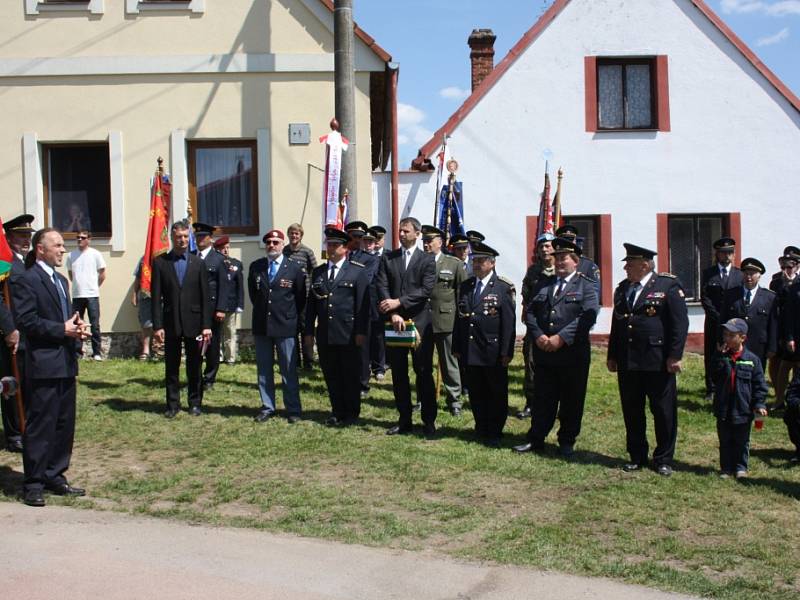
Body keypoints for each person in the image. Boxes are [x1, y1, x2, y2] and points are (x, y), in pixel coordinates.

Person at [12, 227, 88, 506]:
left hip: (65, 361)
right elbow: (27, 321)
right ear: (39, 249)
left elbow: (65, 318)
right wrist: (61, 329)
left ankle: (55, 474)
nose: (62, 250)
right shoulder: (26, 280)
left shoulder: (60, 280)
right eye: (56, 245)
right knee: (41, 424)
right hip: (43, 363)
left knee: (63, 423)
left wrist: (76, 327)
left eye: (62, 245)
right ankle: (33, 482)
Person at [607, 243, 689, 477]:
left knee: (663, 411)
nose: (626, 268)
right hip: (629, 360)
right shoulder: (623, 288)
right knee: (632, 410)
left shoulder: (667, 285)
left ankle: (663, 458)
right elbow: (618, 323)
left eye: (630, 264)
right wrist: (613, 354)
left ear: (645, 264)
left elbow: (679, 324)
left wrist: (675, 356)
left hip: (657, 360)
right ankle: (637, 455)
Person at [513, 237, 599, 457]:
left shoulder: (586, 286)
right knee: (543, 398)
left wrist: (560, 338)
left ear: (575, 262)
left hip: (572, 354)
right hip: (545, 353)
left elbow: (587, 317)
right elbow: (531, 312)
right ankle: (536, 438)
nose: (560, 262)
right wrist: (539, 335)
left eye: (565, 259)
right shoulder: (544, 283)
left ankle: (567, 440)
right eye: (557, 258)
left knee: (572, 399)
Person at [375, 216, 437, 437]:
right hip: (394, 324)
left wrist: (399, 302)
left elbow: (426, 290)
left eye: (406, 231)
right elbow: (381, 284)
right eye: (400, 231)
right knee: (399, 374)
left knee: (423, 372)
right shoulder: (389, 258)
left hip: (419, 324)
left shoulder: (427, 260)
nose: (401, 234)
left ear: (417, 234)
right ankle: (404, 420)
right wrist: (392, 312)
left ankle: (428, 420)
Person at [452, 241, 515, 447]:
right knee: (476, 390)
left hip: (493, 350)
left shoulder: (502, 287)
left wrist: (507, 351)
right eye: (474, 261)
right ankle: (481, 426)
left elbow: (508, 323)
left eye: (481, 261)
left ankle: (495, 430)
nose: (477, 265)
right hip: (470, 349)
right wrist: (457, 347)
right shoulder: (467, 286)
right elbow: (459, 319)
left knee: (496, 392)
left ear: (492, 263)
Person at [304, 227, 369, 426]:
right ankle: (336, 410)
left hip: (348, 333)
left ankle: (351, 413)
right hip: (325, 333)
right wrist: (308, 332)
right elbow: (312, 304)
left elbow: (362, 306)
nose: (331, 248)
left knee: (349, 374)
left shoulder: (357, 271)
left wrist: (361, 332)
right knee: (331, 374)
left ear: (345, 248)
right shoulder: (319, 272)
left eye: (335, 245)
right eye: (329, 244)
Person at [151, 221, 212, 418]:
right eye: (179, 236)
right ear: (172, 237)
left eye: (186, 236)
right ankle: (172, 405)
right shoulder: (161, 263)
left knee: (195, 365)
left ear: (190, 238)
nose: (183, 240)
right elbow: (156, 297)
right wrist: (157, 325)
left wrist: (206, 326)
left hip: (194, 324)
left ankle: (195, 403)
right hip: (170, 323)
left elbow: (205, 297)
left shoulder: (199, 263)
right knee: (172, 366)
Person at [249, 229, 306, 423]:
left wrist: (292, 319)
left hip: (285, 326)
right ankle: (267, 406)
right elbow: (254, 295)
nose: (271, 246)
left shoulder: (294, 268)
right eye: (269, 243)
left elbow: (300, 298)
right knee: (264, 369)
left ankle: (293, 409)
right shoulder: (256, 267)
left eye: (275, 242)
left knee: (288, 369)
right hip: (262, 325)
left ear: (283, 245)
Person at [711, 318, 768, 479]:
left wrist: (759, 403)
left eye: (731, 335)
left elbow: (759, 385)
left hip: (743, 408)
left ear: (742, 338)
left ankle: (740, 467)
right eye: (725, 334)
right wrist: (718, 357)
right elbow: (713, 376)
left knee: (742, 440)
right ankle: (726, 467)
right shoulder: (721, 356)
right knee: (725, 439)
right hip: (724, 406)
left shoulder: (752, 359)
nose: (726, 338)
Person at [422, 225, 466, 416]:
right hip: (423, 321)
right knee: (422, 364)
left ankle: (454, 400)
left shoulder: (453, 264)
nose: (426, 245)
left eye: (430, 241)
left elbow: (461, 294)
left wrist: (460, 321)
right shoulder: (418, 262)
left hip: (446, 319)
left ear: (439, 242)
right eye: (424, 241)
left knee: (449, 363)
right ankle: (423, 398)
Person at [1, 213, 34, 453]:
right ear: (9, 237)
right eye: (21, 235)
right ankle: (13, 434)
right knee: (11, 383)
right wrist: (9, 328)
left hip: (26, 333)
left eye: (28, 235)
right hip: (10, 335)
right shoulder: (4, 262)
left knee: (23, 381)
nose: (26, 239)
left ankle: (23, 427)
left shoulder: (24, 261)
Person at [517, 233, 556, 419]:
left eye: (548, 246)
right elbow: (526, 297)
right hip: (535, 327)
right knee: (531, 364)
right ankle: (531, 403)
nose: (544, 250)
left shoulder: (562, 269)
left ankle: (557, 404)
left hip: (557, 327)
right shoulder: (533, 271)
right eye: (541, 247)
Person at [701, 237, 743, 400]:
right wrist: (718, 317)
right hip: (714, 322)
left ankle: (731, 384)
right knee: (712, 352)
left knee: (733, 351)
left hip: (733, 324)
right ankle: (711, 388)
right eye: (724, 253)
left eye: (730, 253)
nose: (727, 256)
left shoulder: (739, 274)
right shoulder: (708, 273)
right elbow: (705, 297)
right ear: (717, 254)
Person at [344, 221, 380, 399]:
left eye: (361, 237)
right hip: (345, 308)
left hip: (363, 306)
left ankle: (363, 384)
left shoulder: (371, 258)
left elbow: (365, 278)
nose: (358, 240)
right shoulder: (346, 256)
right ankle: (349, 380)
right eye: (355, 237)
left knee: (363, 348)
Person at [193, 222, 230, 392]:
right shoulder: (192, 257)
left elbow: (224, 286)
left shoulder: (219, 259)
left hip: (213, 309)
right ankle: (195, 376)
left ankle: (209, 377)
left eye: (203, 236)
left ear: (211, 239)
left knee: (212, 346)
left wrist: (221, 308)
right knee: (195, 344)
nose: (200, 239)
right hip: (194, 309)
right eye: (198, 236)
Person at [721, 257, 777, 369]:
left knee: (756, 376)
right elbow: (723, 318)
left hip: (759, 346)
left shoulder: (769, 297)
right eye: (746, 273)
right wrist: (721, 340)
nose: (749, 277)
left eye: (752, 274)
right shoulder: (731, 294)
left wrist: (772, 347)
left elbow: (773, 323)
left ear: (759, 275)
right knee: (734, 375)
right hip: (735, 344)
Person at [66, 230, 106, 361]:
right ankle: (78, 352)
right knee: (77, 324)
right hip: (77, 295)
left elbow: (102, 273)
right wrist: (78, 285)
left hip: (92, 295)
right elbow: (71, 274)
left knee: (95, 324)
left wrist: (94, 286)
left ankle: (96, 353)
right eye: (77, 238)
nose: (79, 240)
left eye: (82, 238)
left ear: (89, 239)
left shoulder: (95, 254)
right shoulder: (71, 255)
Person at [283, 223, 318, 369]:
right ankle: (295, 361)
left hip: (306, 296)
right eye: (291, 233)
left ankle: (308, 361)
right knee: (292, 329)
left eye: (296, 233)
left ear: (301, 235)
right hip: (290, 296)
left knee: (306, 329)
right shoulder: (284, 251)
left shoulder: (307, 252)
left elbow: (315, 271)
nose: (294, 236)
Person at [769, 247, 800, 409]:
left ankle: (793, 396)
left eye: (790, 266)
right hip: (779, 327)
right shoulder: (775, 281)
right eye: (783, 266)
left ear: (797, 266)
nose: (786, 270)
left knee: (794, 365)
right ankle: (779, 397)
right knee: (777, 362)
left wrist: (789, 286)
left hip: (795, 329)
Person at [215, 236, 244, 365]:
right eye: (222, 248)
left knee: (230, 332)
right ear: (217, 249)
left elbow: (240, 286)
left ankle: (230, 357)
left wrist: (240, 304)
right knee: (216, 333)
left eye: (227, 248)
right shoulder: (213, 263)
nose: (225, 250)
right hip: (215, 306)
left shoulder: (236, 264)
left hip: (231, 304)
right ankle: (217, 356)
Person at [554, 224, 601, 296]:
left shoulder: (588, 265)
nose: (567, 243)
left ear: (575, 241)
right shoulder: (553, 262)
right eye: (563, 240)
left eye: (570, 239)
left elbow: (594, 293)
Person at [131, 256, 163, 361]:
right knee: (146, 324)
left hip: (163, 296)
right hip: (146, 294)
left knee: (163, 322)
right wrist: (134, 294)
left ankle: (160, 349)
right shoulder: (144, 259)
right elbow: (138, 277)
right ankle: (146, 350)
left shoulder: (166, 257)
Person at [368, 226, 388, 380]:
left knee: (379, 335)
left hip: (382, 301)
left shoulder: (389, 256)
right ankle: (367, 363)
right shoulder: (365, 255)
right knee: (367, 333)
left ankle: (380, 366)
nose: (377, 242)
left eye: (380, 238)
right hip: (366, 300)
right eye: (375, 239)